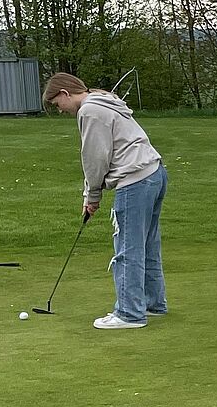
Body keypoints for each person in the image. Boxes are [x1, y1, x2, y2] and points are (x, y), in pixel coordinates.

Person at [42, 72, 168, 330]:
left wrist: (92, 196)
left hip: (134, 180)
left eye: (57, 104)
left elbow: (95, 158)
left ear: (65, 94)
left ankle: (130, 313)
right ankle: (153, 303)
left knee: (128, 248)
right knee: (147, 245)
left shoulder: (89, 111)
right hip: (154, 174)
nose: (60, 111)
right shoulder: (103, 100)